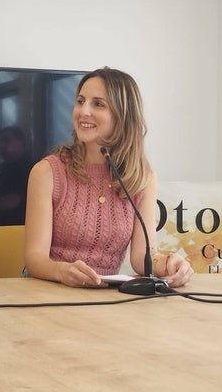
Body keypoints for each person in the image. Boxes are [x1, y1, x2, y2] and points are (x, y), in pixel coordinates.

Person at [24, 67, 193, 288]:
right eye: (80, 101)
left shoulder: (143, 178)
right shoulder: (47, 172)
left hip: (104, 298)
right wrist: (62, 271)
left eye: (98, 104)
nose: (83, 111)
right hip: (48, 291)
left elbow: (143, 257)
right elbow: (34, 258)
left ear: (123, 115)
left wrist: (171, 264)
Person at [0, 126, 33, 225]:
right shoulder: (3, 168)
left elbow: (12, 201)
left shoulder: (31, 168)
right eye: (0, 141)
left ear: (21, 142)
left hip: (20, 229)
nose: (1, 146)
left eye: (6, 140)